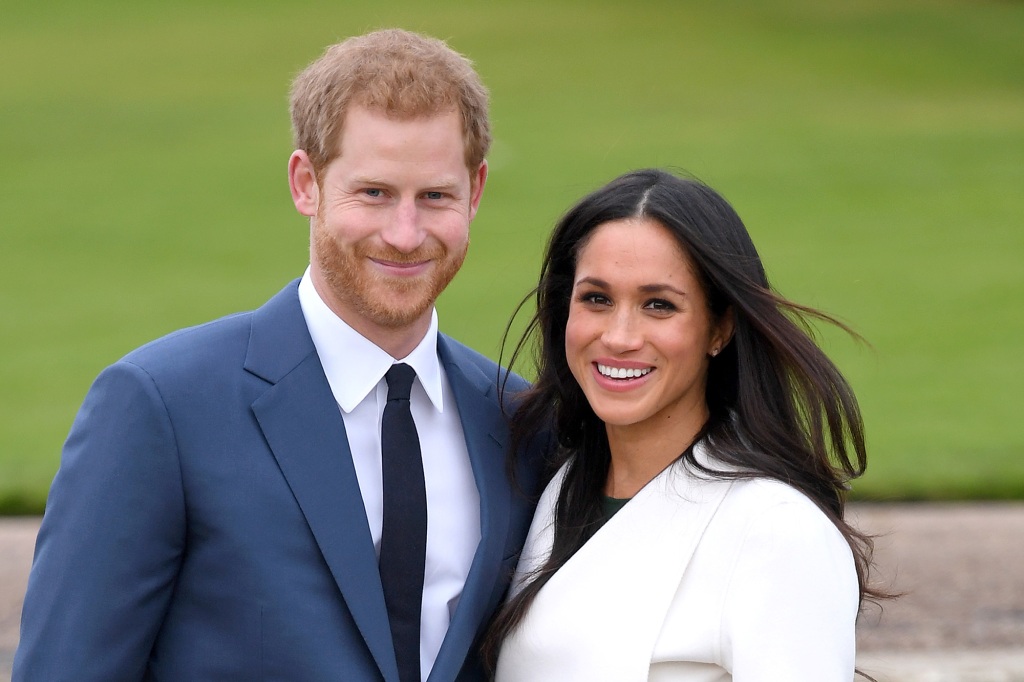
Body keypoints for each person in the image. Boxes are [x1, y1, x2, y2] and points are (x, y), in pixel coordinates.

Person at [15, 29, 545, 682]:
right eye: (374, 192)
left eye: (434, 196)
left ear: (477, 190)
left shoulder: (519, 420)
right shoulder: (162, 406)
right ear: (306, 184)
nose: (406, 234)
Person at [486, 169, 881, 681]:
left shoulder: (776, 530)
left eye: (659, 305)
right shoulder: (550, 487)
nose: (620, 336)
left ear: (719, 328)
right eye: (597, 299)